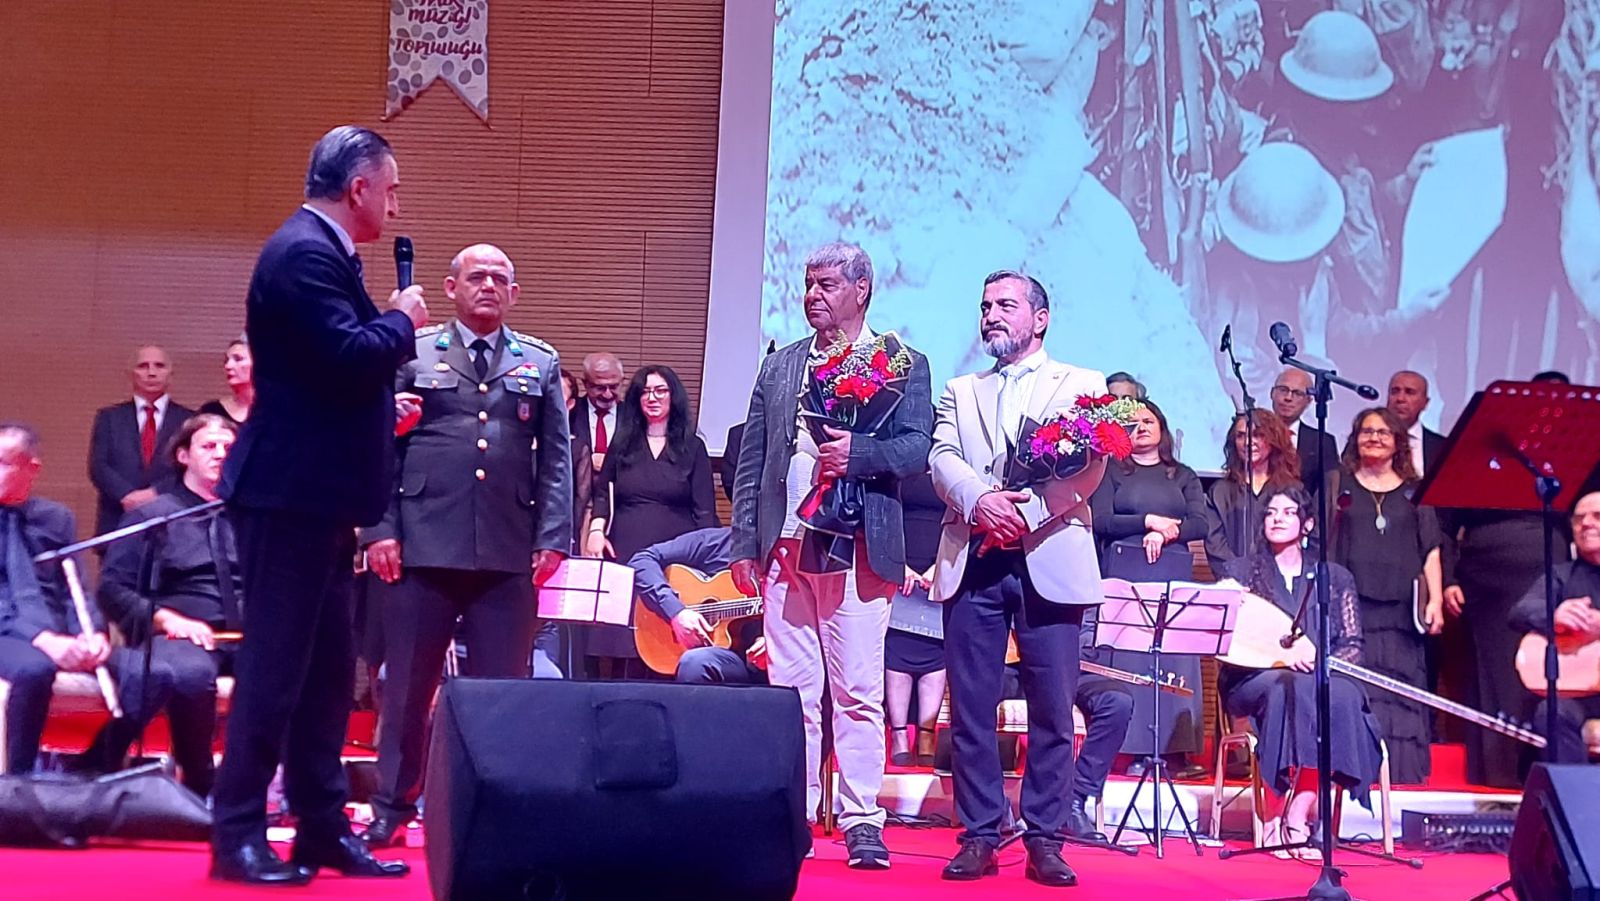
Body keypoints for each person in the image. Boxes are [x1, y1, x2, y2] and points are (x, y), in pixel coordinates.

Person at [210, 125, 425, 886]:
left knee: (328, 674)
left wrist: (381, 408)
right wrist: (402, 320)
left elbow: (325, 378)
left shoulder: (323, 252)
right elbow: (346, 356)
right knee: (274, 670)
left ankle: (322, 825)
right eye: (390, 190)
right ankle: (237, 832)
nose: (394, 207)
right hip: (287, 496)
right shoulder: (304, 254)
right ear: (358, 188)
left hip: (319, 497)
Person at [358, 243, 571, 847]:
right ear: (451, 288)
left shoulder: (539, 360)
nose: (489, 286)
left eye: (500, 279)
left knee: (500, 693)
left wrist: (552, 536)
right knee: (407, 689)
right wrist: (380, 529)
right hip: (421, 545)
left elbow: (557, 459)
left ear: (514, 294)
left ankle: (491, 811)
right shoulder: (413, 350)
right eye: (477, 277)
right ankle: (391, 807)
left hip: (507, 549)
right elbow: (379, 443)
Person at [730, 242, 932, 870]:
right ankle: (794, 810)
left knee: (858, 691)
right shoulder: (781, 364)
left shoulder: (902, 363)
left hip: (858, 547)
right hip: (786, 546)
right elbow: (753, 460)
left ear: (860, 289)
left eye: (826, 285)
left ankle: (862, 817)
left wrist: (859, 455)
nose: (812, 295)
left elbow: (917, 448)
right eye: (808, 284)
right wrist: (745, 543)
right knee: (790, 690)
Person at [930, 270, 1104, 886]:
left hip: (1049, 554)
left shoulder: (1083, 385)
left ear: (1040, 318)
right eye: (985, 306)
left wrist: (1023, 516)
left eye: (1006, 304)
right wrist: (981, 502)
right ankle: (980, 833)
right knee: (970, 709)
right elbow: (941, 457)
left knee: (1052, 711)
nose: (991, 315)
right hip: (974, 554)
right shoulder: (960, 389)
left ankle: (1045, 839)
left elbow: (1088, 468)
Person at [0, 423, 176, 777]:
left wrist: (91, 634)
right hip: (9, 632)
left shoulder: (55, 518)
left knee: (155, 674)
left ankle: (91, 765)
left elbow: (75, 589)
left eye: (3, 463)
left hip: (61, 633)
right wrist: (42, 639)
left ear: (31, 468)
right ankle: (19, 780)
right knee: (35, 669)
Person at [1219, 485, 1384, 859]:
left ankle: (1299, 811)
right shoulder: (1242, 572)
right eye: (1271, 512)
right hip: (1254, 679)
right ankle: (1273, 812)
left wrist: (1315, 660)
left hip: (1315, 676)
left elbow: (1353, 644)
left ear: (1307, 524)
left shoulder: (1333, 577)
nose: (1277, 519)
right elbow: (1229, 640)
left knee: (1339, 693)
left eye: (1288, 512)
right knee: (1286, 687)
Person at [98, 414, 242, 797]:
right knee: (190, 674)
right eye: (209, 446)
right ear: (183, 456)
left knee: (296, 670)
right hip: (179, 635)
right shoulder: (151, 516)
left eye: (228, 447)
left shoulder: (252, 518)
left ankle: (265, 787)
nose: (220, 454)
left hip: (247, 636)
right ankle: (198, 784)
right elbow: (112, 588)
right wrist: (165, 619)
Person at [1088, 400, 1210, 775]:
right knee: (1131, 661)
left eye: (1148, 420)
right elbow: (1101, 520)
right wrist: (1147, 522)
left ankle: (1175, 752)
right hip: (1124, 572)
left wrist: (1167, 532)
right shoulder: (1110, 470)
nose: (1140, 427)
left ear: (1162, 427)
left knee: (1175, 660)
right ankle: (1132, 750)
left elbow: (1200, 523)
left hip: (1172, 572)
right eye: (1132, 423)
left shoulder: (1182, 475)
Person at [1333, 406, 1442, 784]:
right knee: (1359, 689)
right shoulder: (1339, 487)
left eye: (1383, 432)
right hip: (1353, 609)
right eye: (1367, 431)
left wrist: (1436, 600)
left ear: (1397, 442)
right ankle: (1357, 773)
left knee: (1401, 690)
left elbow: (1431, 549)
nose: (1374, 438)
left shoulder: (1417, 492)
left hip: (1402, 612)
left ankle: (1401, 775)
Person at [586, 365, 718, 678]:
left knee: (665, 644)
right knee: (622, 647)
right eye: (645, 391)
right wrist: (596, 529)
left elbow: (705, 511)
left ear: (674, 397)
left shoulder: (693, 447)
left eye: (660, 391)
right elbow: (603, 492)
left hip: (675, 558)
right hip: (626, 548)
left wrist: (710, 566)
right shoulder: (623, 443)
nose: (652, 398)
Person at [1509, 492, 1600, 762]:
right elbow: (1520, 611)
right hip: (1583, 694)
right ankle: (1576, 789)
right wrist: (1553, 616)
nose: (1586, 524)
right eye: (1579, 519)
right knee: (1552, 712)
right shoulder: (1562, 575)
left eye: (1597, 516)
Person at [629, 526, 768, 684]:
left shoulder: (789, 555)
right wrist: (676, 612)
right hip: (727, 659)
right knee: (695, 662)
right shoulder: (719, 543)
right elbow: (641, 561)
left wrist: (778, 641)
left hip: (771, 662)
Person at [88, 345, 196, 537]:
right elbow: (98, 466)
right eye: (143, 366)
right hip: (117, 519)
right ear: (130, 374)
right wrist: (126, 495)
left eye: (159, 366)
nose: (151, 373)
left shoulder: (189, 420)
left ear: (171, 374)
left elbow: (191, 469)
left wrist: (154, 494)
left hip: (171, 520)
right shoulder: (109, 417)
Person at [885, 468, 945, 767]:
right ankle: (898, 735)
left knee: (937, 651)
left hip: (942, 568)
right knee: (897, 650)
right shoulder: (898, 465)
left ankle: (926, 735)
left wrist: (942, 566)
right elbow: (883, 515)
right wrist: (897, 565)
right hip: (899, 569)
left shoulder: (951, 464)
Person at [1206, 410, 1303, 563]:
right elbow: (1215, 546)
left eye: (1257, 435)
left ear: (1273, 440)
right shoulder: (1220, 492)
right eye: (1240, 436)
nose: (1248, 442)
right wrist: (1240, 573)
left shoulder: (1292, 490)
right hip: (1233, 576)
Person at [1270, 367, 1338, 495]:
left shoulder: (1323, 442)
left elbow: (1328, 491)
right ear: (1272, 393)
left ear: (1308, 401)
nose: (1288, 398)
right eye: (1283, 390)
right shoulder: (1252, 434)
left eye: (1297, 393)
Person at [1382, 370, 1445, 477]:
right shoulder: (1365, 442)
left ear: (1425, 403)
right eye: (1395, 391)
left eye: (1409, 392)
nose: (1400, 399)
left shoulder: (1442, 447)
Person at [570, 352, 623, 474]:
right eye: (600, 388)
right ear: (585, 384)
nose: (607, 394)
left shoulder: (633, 416)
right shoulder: (569, 413)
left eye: (614, 387)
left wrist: (610, 462)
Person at [199, 338, 255, 425]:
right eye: (226, 360)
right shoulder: (212, 412)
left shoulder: (276, 411)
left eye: (238, 359)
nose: (228, 366)